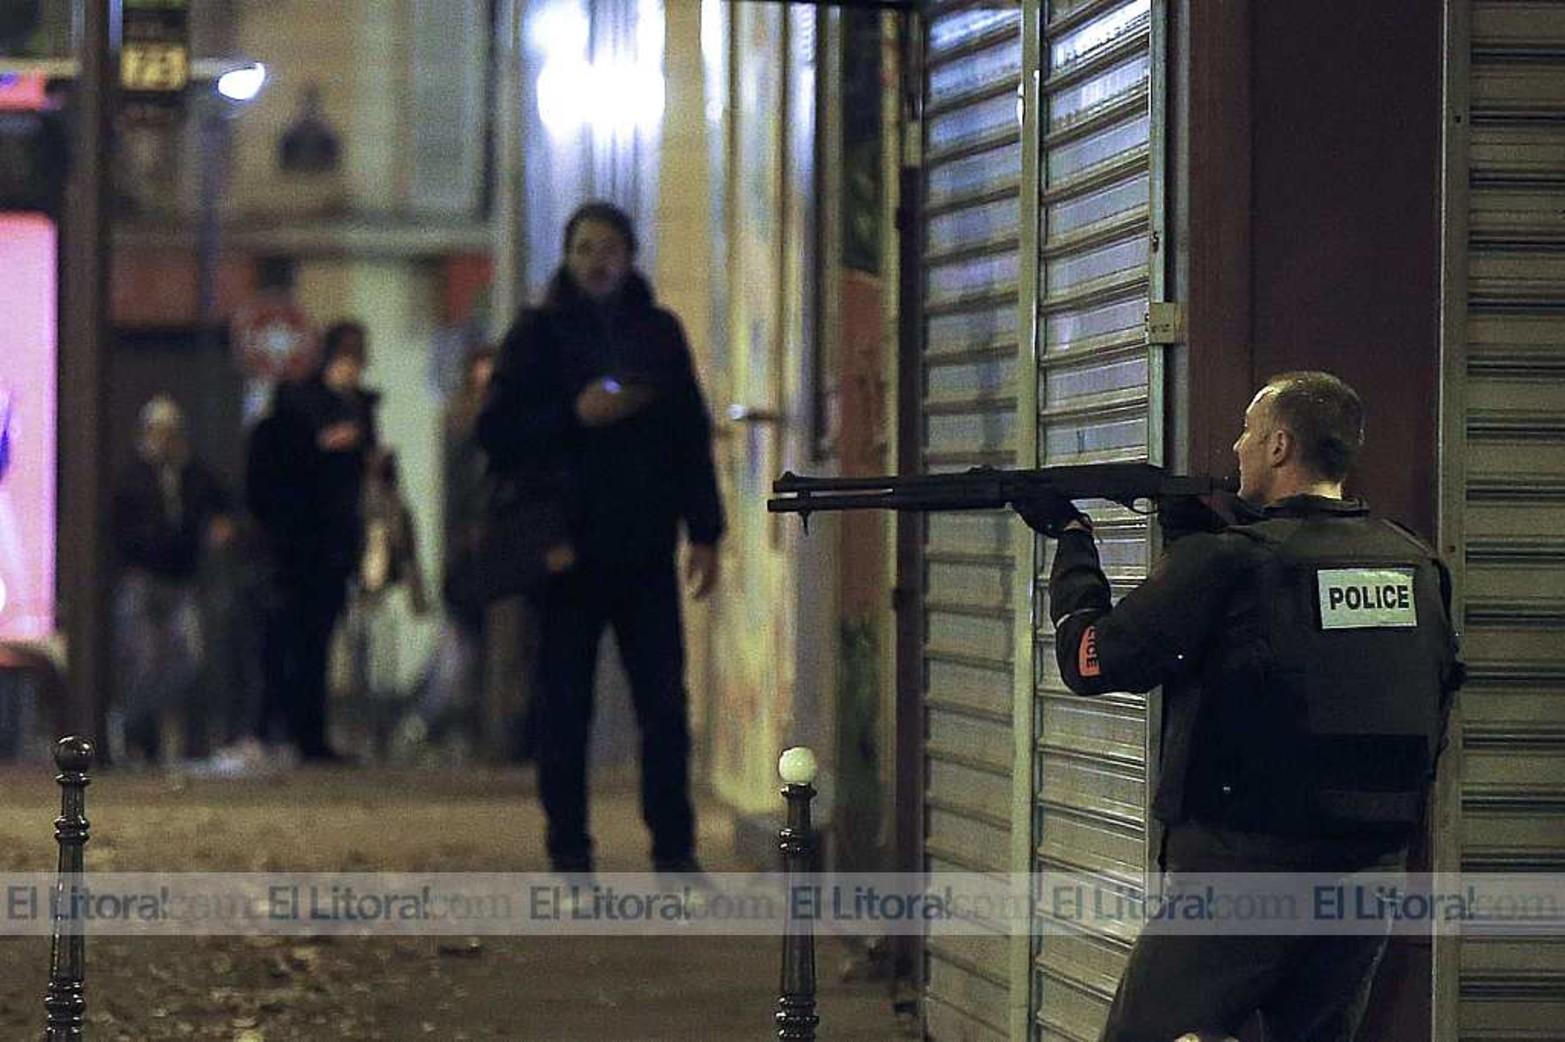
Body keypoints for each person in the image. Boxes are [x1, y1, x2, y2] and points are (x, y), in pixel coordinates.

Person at [1025, 371, 1464, 1042]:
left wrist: (1072, 540)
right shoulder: (1413, 562)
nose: (1236, 447)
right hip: (1368, 873)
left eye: (1247, 432)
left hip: (1243, 870)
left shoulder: (1230, 563)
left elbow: (1091, 658)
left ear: (1279, 444)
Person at [478, 201, 724, 879]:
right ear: (567, 254)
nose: (597, 261)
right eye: (585, 248)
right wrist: (573, 415)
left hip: (644, 548)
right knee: (564, 707)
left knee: (664, 707)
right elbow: (495, 433)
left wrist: (705, 532)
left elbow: (689, 437)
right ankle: (569, 850)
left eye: (609, 248)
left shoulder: (657, 334)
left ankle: (673, 850)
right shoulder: (538, 335)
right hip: (565, 553)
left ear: (629, 255)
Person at [245, 321, 380, 763]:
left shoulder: (358, 407)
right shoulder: (301, 407)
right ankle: (284, 729)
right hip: (300, 547)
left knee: (317, 641)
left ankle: (305, 733)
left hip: (333, 546)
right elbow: (281, 473)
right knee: (292, 641)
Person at [110, 396, 233, 762]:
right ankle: (134, 733)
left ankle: (165, 729)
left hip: (182, 581)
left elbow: (222, 503)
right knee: (144, 661)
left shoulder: (193, 475)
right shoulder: (132, 477)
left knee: (189, 659)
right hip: (143, 579)